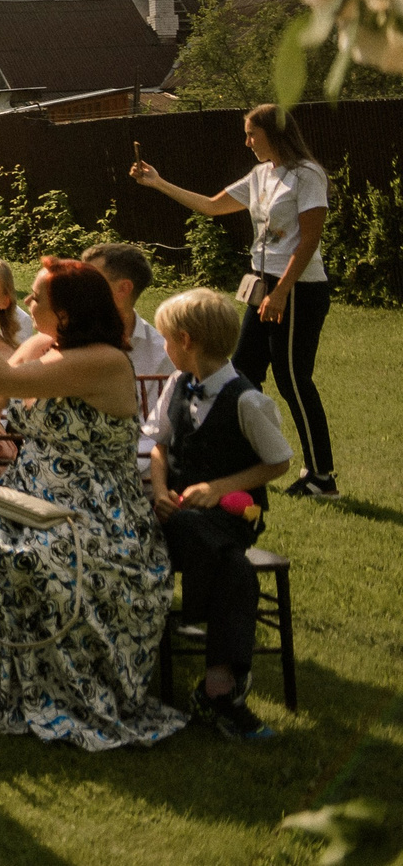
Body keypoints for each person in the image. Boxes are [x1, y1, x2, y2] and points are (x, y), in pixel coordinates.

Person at [0, 259, 185, 750]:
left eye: (38, 298)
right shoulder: (40, 345)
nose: (30, 304)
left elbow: (7, 385)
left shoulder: (103, 361)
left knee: (43, 554)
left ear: (69, 314)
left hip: (97, 512)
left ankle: (76, 692)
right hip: (26, 498)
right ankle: (29, 687)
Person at [133, 106, 339, 497]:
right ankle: (245, 459)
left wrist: (281, 292)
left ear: (274, 134)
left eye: (251, 134)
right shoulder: (262, 174)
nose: (246, 142)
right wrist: (158, 183)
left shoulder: (306, 175)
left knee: (293, 378)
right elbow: (212, 205)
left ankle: (321, 476)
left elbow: (310, 239)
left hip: (296, 287)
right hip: (263, 284)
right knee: (242, 368)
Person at [149, 287, 293, 742]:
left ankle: (208, 658)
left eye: (167, 338)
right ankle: (223, 693)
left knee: (219, 547)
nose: (164, 347)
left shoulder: (247, 401)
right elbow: (158, 444)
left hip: (229, 516)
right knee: (233, 567)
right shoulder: (175, 385)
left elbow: (279, 460)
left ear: (187, 340)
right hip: (173, 515)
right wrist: (158, 490)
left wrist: (219, 488)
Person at [82, 242, 171, 378]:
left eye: (89, 280)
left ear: (123, 289)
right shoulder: (59, 339)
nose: (77, 287)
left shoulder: (159, 355)